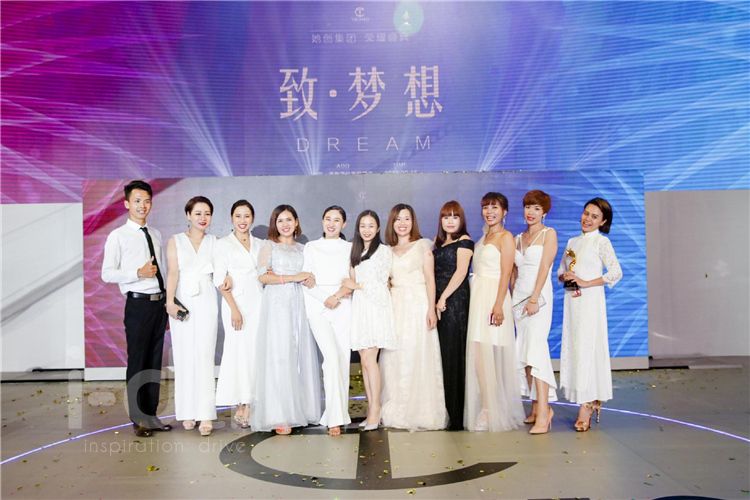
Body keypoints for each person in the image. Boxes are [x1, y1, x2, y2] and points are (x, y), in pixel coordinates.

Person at [101, 180, 170, 437]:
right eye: (137, 201)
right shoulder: (118, 236)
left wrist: (168, 300)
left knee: (154, 362)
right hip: (138, 304)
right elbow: (107, 273)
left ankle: (151, 416)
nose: (143, 205)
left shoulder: (156, 234)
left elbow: (163, 270)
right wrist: (137, 273)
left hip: (159, 304)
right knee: (138, 361)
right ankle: (138, 419)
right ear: (127, 204)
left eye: (147, 201)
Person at [250, 205, 321, 435]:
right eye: (280, 220)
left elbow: (310, 276)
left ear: (296, 222)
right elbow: (262, 277)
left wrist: (309, 279)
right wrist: (293, 277)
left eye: (289, 219)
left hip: (299, 304)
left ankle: (302, 410)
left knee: (299, 353)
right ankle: (279, 414)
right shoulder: (268, 246)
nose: (285, 224)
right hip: (277, 305)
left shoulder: (304, 248)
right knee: (279, 355)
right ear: (275, 224)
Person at [379, 203, 448, 431]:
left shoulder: (422, 245)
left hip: (418, 305)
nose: (402, 223)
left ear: (413, 221)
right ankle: (397, 407)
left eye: (406, 218)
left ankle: (421, 410)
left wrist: (431, 309)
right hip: (395, 306)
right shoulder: (386, 251)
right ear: (392, 222)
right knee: (395, 356)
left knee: (418, 353)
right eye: (398, 219)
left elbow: (430, 279)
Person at [558, 197, 622, 432]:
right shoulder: (572, 242)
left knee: (589, 349)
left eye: (595, 216)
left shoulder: (601, 242)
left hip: (591, 303)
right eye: (586, 213)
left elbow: (615, 272)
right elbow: (562, 270)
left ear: (603, 222)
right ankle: (588, 399)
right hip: (573, 302)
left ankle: (587, 405)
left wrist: (586, 282)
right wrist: (566, 277)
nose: (588, 219)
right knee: (576, 348)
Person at [465, 192, 525, 432]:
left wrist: (499, 304)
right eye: (486, 207)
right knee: (479, 356)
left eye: (495, 207)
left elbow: (506, 272)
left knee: (492, 354)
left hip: (493, 297)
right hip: (478, 297)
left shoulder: (506, 237)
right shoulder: (483, 237)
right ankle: (488, 405)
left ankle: (492, 409)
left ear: (504, 212)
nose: (489, 212)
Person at [165, 196, 218, 436]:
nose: (202, 218)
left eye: (207, 213)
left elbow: (221, 272)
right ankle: (187, 411)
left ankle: (205, 414)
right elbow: (173, 273)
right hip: (183, 299)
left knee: (205, 355)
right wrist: (169, 302)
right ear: (188, 215)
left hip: (207, 298)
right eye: (198, 213)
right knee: (184, 355)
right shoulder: (175, 241)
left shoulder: (215, 242)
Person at [342, 210, 395, 431]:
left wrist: (356, 286)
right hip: (360, 308)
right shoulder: (355, 251)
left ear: (378, 228)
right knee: (364, 361)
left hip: (376, 308)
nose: (367, 229)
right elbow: (350, 279)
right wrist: (352, 285)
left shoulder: (383, 251)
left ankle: (375, 409)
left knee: (370, 359)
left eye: (371, 225)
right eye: (363, 225)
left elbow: (380, 283)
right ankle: (371, 406)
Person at [213, 200, 265, 429]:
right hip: (236, 304)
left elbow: (265, 273)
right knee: (239, 352)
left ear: (252, 218)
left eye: (246, 216)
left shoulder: (261, 244)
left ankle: (253, 402)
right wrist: (234, 309)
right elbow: (219, 280)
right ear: (231, 218)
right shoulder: (222, 244)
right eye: (238, 216)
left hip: (259, 302)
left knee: (255, 353)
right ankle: (241, 404)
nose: (242, 221)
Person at [303, 206, 353, 436]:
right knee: (331, 359)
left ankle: (336, 414)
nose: (331, 224)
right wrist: (326, 299)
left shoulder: (350, 248)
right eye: (327, 219)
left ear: (344, 224)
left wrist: (337, 297)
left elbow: (352, 280)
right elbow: (307, 280)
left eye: (336, 220)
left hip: (343, 307)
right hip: (318, 307)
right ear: (322, 221)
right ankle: (334, 418)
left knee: (342, 361)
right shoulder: (311, 247)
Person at [512, 190, 558, 435]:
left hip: (538, 299)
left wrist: (533, 298)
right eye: (528, 207)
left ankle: (544, 412)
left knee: (537, 351)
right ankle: (535, 407)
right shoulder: (518, 238)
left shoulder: (549, 234)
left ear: (544, 212)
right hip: (519, 302)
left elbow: (545, 267)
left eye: (537, 208)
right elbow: (514, 273)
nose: (531, 212)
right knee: (525, 354)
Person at [433, 200, 474, 431]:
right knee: (442, 356)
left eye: (454, 216)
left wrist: (443, 298)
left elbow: (460, 273)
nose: (450, 221)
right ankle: (446, 411)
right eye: (446, 216)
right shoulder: (439, 243)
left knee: (454, 355)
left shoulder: (465, 241)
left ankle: (457, 416)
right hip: (439, 303)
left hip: (455, 303)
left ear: (461, 220)